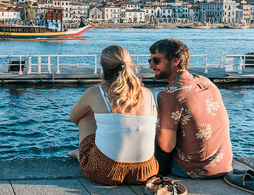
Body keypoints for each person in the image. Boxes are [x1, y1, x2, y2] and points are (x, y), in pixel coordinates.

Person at [69, 45, 159, 185]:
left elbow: (73, 118)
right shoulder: (148, 93)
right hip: (145, 171)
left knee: (86, 114)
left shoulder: (95, 93)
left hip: (107, 172)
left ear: (103, 67)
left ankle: (81, 153)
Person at [149, 38, 233, 179]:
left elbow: (166, 146)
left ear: (175, 61)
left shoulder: (168, 94)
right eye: (150, 60)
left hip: (193, 170)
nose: (151, 66)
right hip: (224, 166)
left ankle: (156, 174)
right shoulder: (206, 82)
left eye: (156, 60)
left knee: (159, 130)